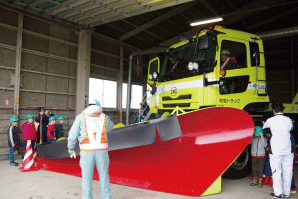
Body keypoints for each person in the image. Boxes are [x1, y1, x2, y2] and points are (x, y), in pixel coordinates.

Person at [68, 99, 114, 199]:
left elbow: (72, 135)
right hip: (102, 152)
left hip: (86, 152)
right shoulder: (105, 117)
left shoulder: (81, 117)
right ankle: (106, 197)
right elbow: (110, 128)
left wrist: (70, 148)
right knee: (104, 176)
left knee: (87, 178)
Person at [263, 102, 294, 199]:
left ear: (273, 110)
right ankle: (286, 193)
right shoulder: (288, 120)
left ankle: (278, 194)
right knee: (288, 171)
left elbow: (265, 131)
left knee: (276, 172)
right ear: (282, 110)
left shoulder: (270, 120)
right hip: (288, 149)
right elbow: (290, 129)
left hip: (276, 150)